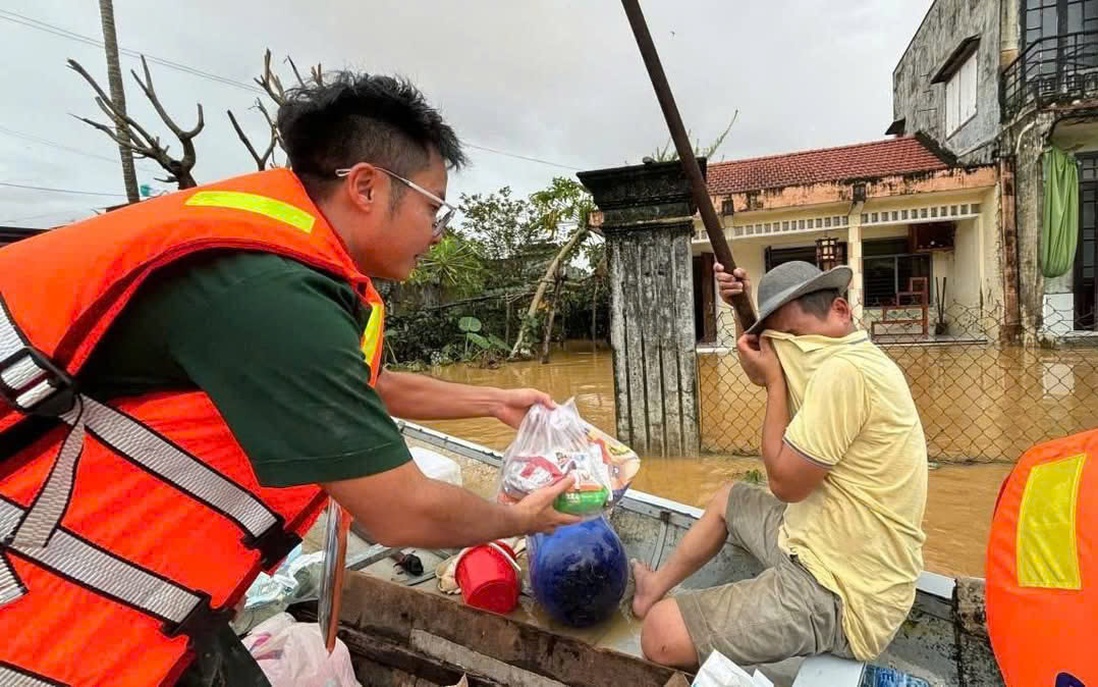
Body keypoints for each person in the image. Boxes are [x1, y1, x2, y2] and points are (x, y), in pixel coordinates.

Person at [0, 73, 579, 687]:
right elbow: (403, 515)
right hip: (43, 588)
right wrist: (524, 519)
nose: (438, 233)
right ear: (365, 186)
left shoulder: (277, 258)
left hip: (130, 563)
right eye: (433, 207)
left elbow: (350, 386)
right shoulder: (266, 292)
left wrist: (493, 399)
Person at [631, 260, 928, 671]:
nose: (788, 350)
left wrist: (774, 385)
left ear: (840, 311)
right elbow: (763, 366)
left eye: (793, 336)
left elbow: (785, 485)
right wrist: (741, 308)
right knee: (729, 498)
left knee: (658, 636)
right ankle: (652, 589)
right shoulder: (835, 354)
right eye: (779, 340)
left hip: (841, 593)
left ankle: (674, 612)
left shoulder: (845, 372)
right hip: (811, 539)